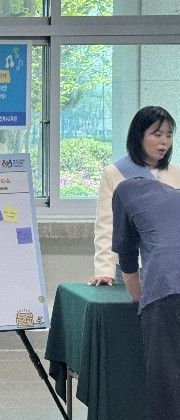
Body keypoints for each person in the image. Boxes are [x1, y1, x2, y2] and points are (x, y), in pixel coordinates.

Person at [112, 176, 180, 420]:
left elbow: (127, 257)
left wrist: (141, 298)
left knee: (167, 384)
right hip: (168, 285)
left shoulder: (124, 192)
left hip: (166, 291)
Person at [89, 106, 180, 286]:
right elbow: (106, 226)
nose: (164, 142)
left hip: (169, 269)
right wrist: (104, 270)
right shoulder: (114, 173)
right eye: (157, 134)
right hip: (129, 269)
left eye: (169, 135)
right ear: (139, 136)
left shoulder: (176, 174)